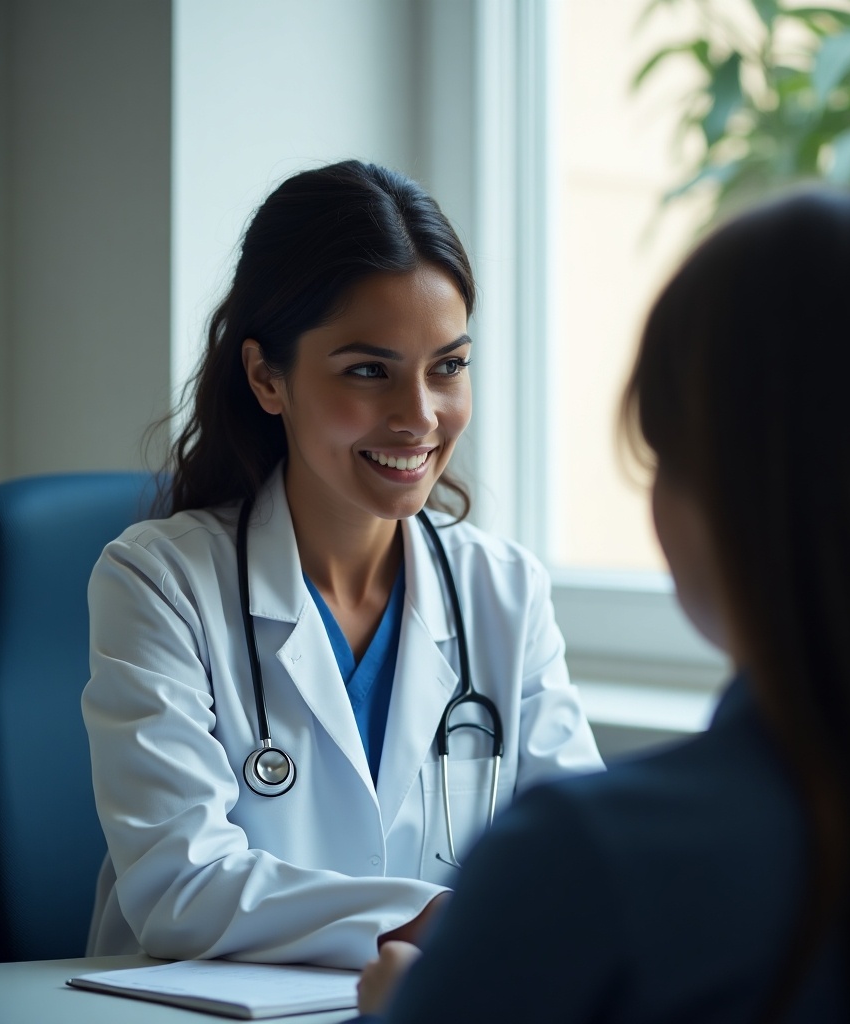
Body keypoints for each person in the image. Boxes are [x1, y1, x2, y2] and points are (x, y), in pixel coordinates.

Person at [354, 188, 850, 1022]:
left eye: (661, 453)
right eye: (369, 369)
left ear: (717, 485)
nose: (417, 412)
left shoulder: (583, 861)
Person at [82, 160, 604, 969]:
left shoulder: (502, 591)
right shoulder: (159, 582)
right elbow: (179, 889)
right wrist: (449, 922)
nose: (419, 417)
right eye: (369, 371)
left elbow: (583, 857)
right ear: (267, 377)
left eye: (449, 367)